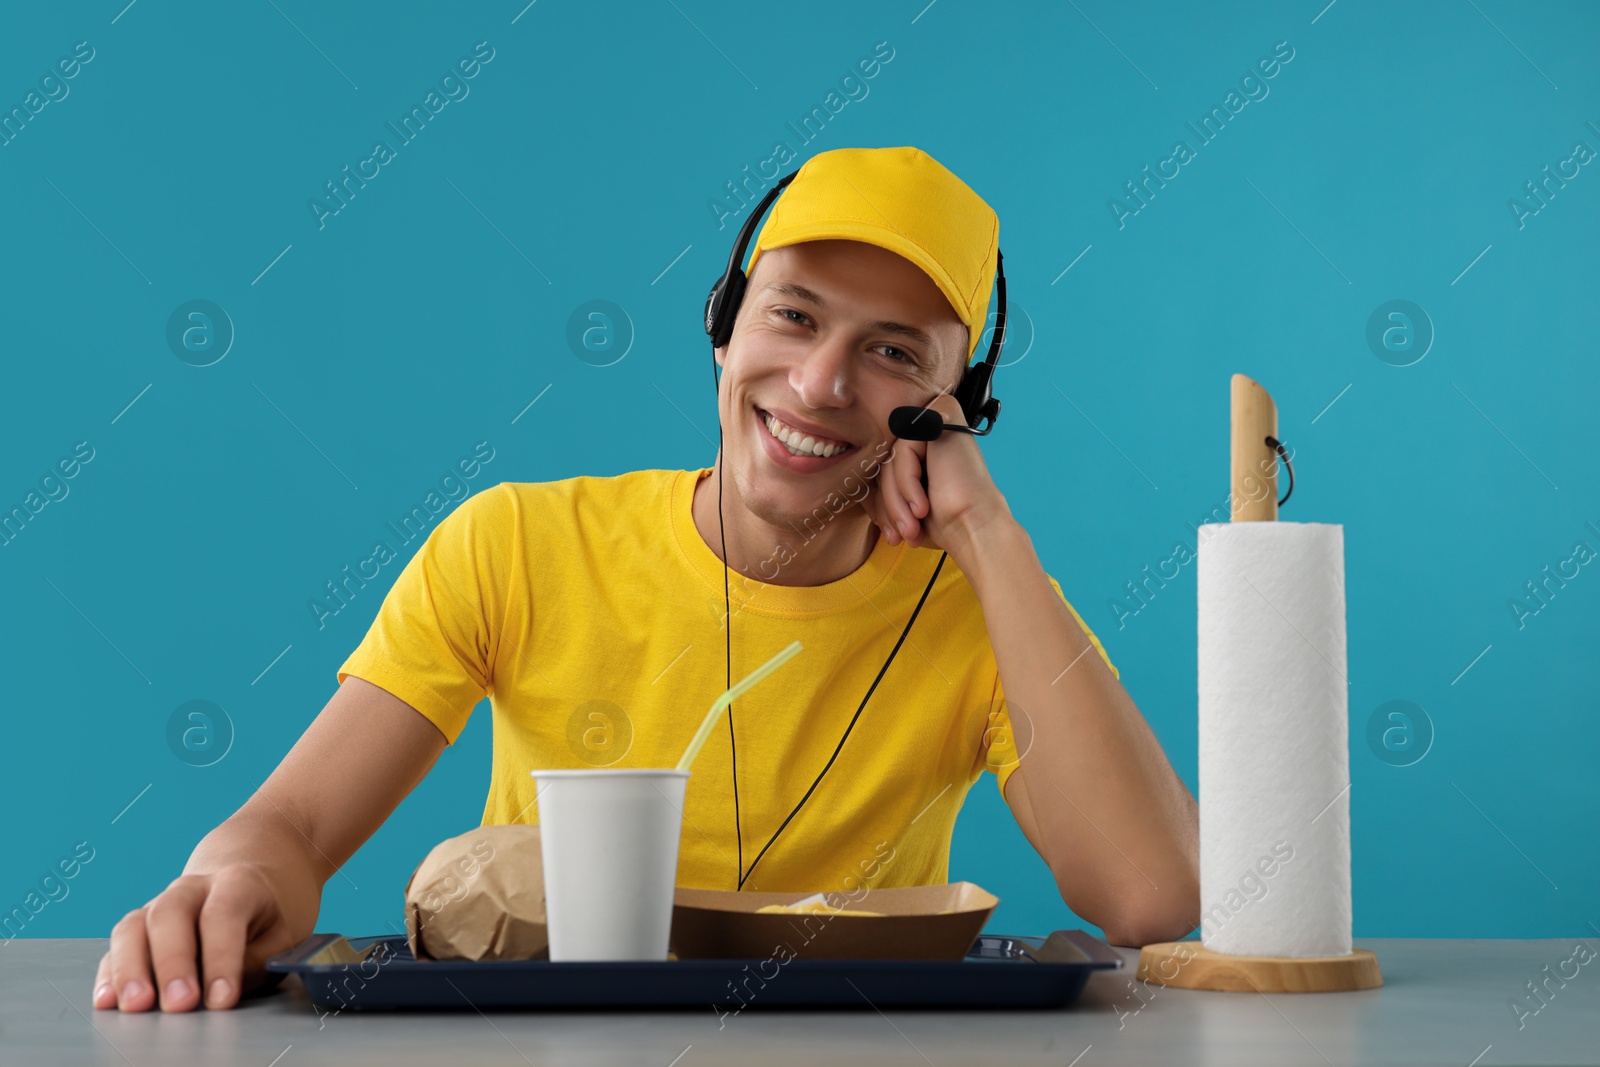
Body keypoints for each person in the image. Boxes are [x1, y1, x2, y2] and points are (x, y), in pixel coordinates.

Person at [93, 146, 1198, 1013]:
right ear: (722, 327)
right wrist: (220, 882)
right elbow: (288, 824)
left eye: (894, 353)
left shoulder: (984, 615)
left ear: (950, 410)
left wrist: (988, 531)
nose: (818, 382)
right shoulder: (518, 543)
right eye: (793, 315)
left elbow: (1150, 899)